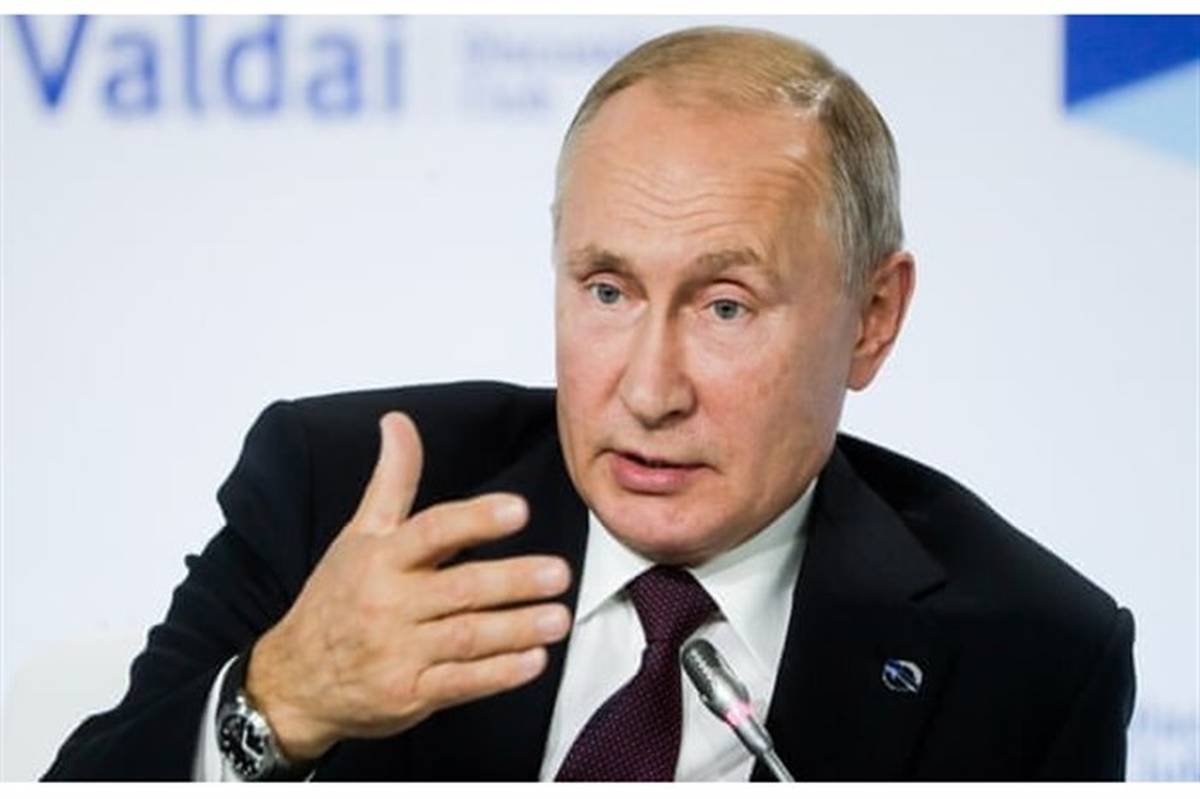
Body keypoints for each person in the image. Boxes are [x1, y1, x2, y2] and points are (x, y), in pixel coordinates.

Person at [44, 26, 1135, 781]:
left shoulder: (1029, 653)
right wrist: (279, 703)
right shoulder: (343, 494)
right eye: (608, 291)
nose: (648, 392)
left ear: (872, 317)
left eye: (725, 306)